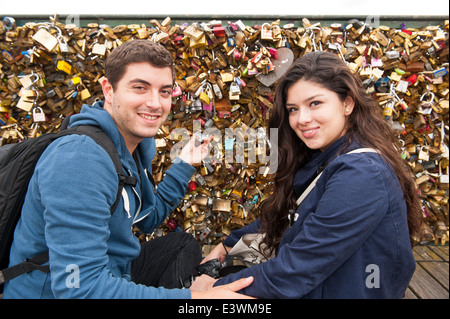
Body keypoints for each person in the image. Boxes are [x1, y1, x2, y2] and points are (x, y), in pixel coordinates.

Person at [3, 40, 253, 299]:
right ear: (108, 90)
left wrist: (184, 165)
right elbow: (80, 290)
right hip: (60, 292)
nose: (155, 103)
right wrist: (198, 299)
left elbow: (148, 219)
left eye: (164, 91)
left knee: (182, 245)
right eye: (140, 88)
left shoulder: (131, 149)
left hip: (113, 270)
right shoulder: (79, 160)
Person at [196, 51, 422, 299]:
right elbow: (288, 213)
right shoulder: (330, 157)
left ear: (347, 103)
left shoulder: (361, 173)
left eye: (315, 103)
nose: (301, 119)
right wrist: (227, 244)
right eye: (293, 109)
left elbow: (297, 269)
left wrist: (211, 290)